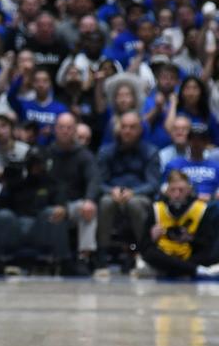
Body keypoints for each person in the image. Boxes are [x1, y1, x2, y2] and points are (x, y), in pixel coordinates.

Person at [96, 110, 161, 263]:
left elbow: (154, 184)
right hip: (113, 195)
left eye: (132, 127)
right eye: (124, 127)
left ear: (140, 130)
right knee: (105, 202)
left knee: (134, 203)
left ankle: (145, 254)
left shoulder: (151, 152)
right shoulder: (105, 151)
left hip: (140, 196)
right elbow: (99, 182)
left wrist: (134, 192)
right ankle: (101, 256)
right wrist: (111, 190)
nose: (127, 131)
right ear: (119, 128)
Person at [136, 170, 219, 280]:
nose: (176, 195)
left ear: (189, 190)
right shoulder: (156, 208)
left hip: (189, 254)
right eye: (173, 190)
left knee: (212, 254)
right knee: (150, 253)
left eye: (181, 190)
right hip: (164, 253)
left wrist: (190, 238)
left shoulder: (201, 209)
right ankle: (196, 270)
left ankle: (172, 269)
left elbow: (208, 243)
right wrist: (152, 238)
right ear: (166, 191)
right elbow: (143, 245)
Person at [46, 112, 100, 274]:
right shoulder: (46, 153)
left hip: (74, 205)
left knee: (88, 209)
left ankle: (84, 257)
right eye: (61, 127)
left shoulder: (84, 155)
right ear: (55, 129)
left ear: (75, 131)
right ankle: (50, 259)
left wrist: (89, 200)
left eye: (69, 128)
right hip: (50, 204)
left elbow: (94, 179)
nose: (65, 131)